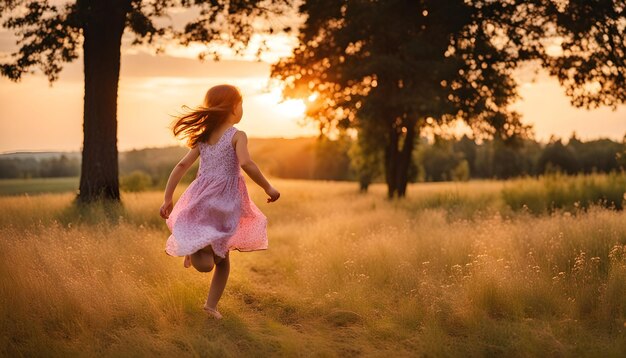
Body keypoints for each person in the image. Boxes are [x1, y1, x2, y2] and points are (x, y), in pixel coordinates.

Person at [159, 84, 280, 320]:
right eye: (241, 104)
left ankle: (194, 248)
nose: (242, 108)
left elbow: (181, 166)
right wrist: (268, 186)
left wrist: (168, 198)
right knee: (221, 261)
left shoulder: (204, 137)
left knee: (209, 262)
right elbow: (246, 164)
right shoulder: (237, 135)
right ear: (233, 108)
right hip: (225, 204)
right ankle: (211, 305)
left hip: (201, 199)